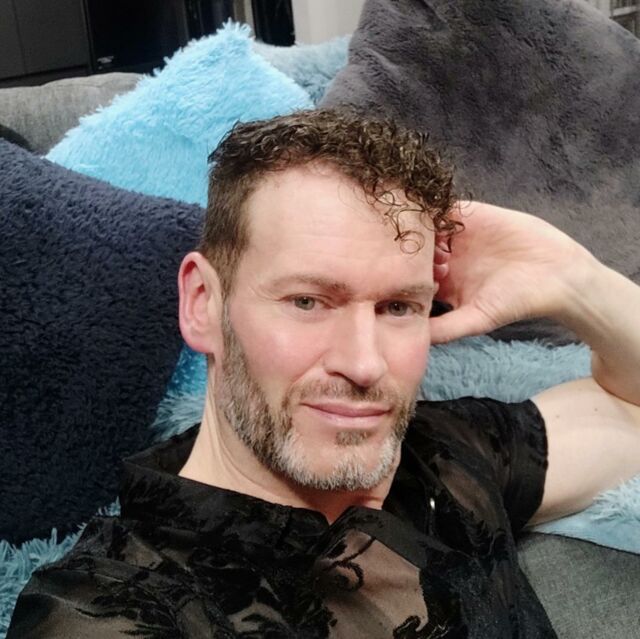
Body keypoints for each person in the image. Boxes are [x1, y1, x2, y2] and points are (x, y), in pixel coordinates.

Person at [8, 109, 640, 638]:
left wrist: (574, 281)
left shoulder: (443, 455)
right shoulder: (107, 609)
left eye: (398, 307)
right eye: (308, 302)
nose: (364, 364)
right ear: (203, 305)